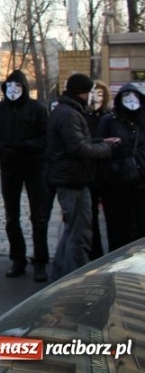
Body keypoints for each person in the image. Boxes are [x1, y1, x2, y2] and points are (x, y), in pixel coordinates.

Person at [46, 73, 118, 282]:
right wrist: (106, 148)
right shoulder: (69, 114)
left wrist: (100, 141)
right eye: (90, 92)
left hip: (70, 179)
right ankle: (75, 282)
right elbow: (79, 149)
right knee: (79, 235)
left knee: (71, 233)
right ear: (82, 92)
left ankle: (59, 277)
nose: (92, 97)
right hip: (73, 181)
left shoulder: (66, 111)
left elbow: (77, 143)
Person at [0, 70, 50, 282]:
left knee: (39, 217)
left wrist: (24, 147)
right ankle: (17, 259)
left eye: (18, 87)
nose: (13, 91)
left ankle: (40, 261)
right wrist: (2, 149)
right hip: (9, 167)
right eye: (10, 87)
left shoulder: (37, 109)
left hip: (34, 167)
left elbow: (45, 138)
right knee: (11, 217)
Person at [96, 84, 145, 252]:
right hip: (116, 185)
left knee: (140, 228)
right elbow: (100, 147)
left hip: (141, 184)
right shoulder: (109, 120)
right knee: (118, 229)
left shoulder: (142, 120)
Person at [85, 80, 111, 259]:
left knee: (112, 216)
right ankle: (95, 254)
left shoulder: (110, 116)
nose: (96, 98)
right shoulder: (83, 116)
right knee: (91, 216)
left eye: (100, 94)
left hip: (108, 172)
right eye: (93, 94)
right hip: (89, 171)